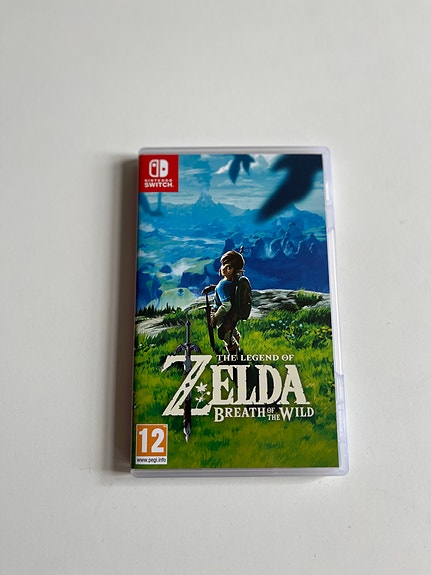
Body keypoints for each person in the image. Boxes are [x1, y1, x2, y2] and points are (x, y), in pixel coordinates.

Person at [210, 250, 245, 354]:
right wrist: (215, 288)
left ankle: (232, 358)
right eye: (223, 265)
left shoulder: (222, 285)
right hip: (233, 313)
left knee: (224, 334)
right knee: (232, 329)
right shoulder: (236, 281)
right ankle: (238, 352)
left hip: (222, 315)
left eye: (228, 267)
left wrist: (215, 316)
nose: (223, 268)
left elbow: (226, 305)